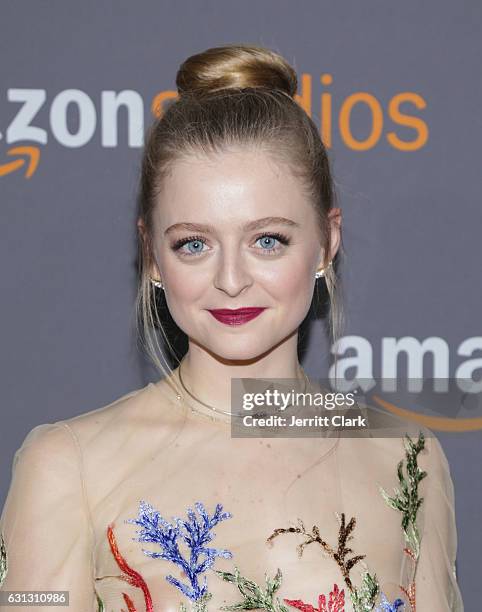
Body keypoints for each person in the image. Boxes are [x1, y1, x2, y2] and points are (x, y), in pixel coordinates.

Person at [0, 44, 463, 612]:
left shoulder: (409, 457)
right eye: (194, 244)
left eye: (268, 240)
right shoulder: (67, 466)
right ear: (152, 255)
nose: (231, 279)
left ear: (326, 242)